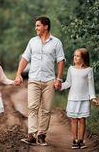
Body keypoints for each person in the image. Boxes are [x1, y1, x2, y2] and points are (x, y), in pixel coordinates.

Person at [15, 16, 65, 146]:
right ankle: (31, 135)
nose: (35, 28)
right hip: (34, 79)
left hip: (49, 80)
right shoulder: (32, 41)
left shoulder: (56, 42)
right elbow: (25, 58)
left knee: (46, 109)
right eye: (36, 25)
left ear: (46, 26)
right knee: (32, 107)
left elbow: (60, 61)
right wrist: (18, 74)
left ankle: (41, 135)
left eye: (38, 25)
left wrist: (58, 79)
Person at [60, 48, 99, 149]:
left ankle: (81, 141)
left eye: (78, 56)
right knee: (74, 120)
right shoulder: (71, 69)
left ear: (83, 58)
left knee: (82, 120)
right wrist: (60, 86)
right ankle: (75, 139)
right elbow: (68, 83)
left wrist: (93, 98)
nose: (75, 57)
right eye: (74, 55)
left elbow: (91, 86)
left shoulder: (88, 70)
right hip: (73, 98)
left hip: (84, 99)